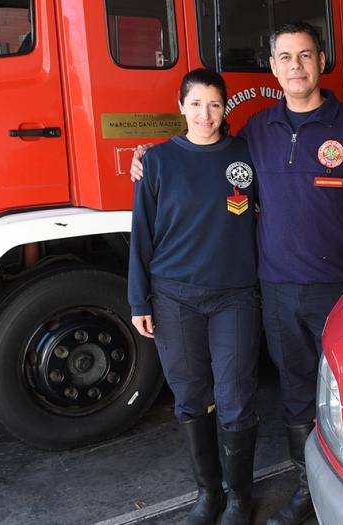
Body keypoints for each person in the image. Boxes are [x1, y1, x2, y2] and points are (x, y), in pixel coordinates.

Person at [132, 22, 343, 525]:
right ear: (272, 67)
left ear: (322, 60)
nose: (295, 66)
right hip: (275, 289)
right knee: (297, 393)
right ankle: (306, 491)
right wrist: (150, 158)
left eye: (304, 55)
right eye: (284, 57)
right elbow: (205, 155)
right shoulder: (257, 131)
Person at [128, 68, 260, 525]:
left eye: (215, 104)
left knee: (237, 396)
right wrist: (138, 301)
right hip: (174, 297)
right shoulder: (158, 161)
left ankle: (240, 497)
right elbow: (141, 235)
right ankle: (209, 496)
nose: (205, 114)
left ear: (226, 108)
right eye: (196, 104)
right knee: (188, 396)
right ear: (180, 106)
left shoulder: (246, 154)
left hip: (236, 296)